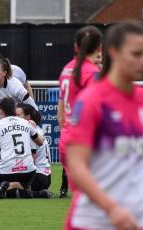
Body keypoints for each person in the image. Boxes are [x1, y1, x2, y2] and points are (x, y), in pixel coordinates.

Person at [65, 20, 143, 230]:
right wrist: (112, 208)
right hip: (94, 220)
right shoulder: (92, 101)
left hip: (140, 219)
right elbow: (76, 166)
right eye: (137, 54)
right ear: (114, 52)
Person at [57, 25, 102, 198]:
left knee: (82, 200)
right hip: (85, 141)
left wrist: (65, 132)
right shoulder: (92, 73)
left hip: (67, 139)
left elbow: (60, 109)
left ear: (76, 46)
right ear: (99, 48)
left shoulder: (67, 69)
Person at [0, 98, 43, 198]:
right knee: (25, 183)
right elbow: (40, 142)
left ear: (1, 111)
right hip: (29, 171)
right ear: (14, 110)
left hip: (7, 171)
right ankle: (20, 188)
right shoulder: (26, 123)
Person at [0, 58, 38, 133]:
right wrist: (2, 120)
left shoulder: (16, 85)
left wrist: (35, 121)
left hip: (20, 113)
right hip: (5, 113)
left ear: (4, 73)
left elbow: (32, 106)